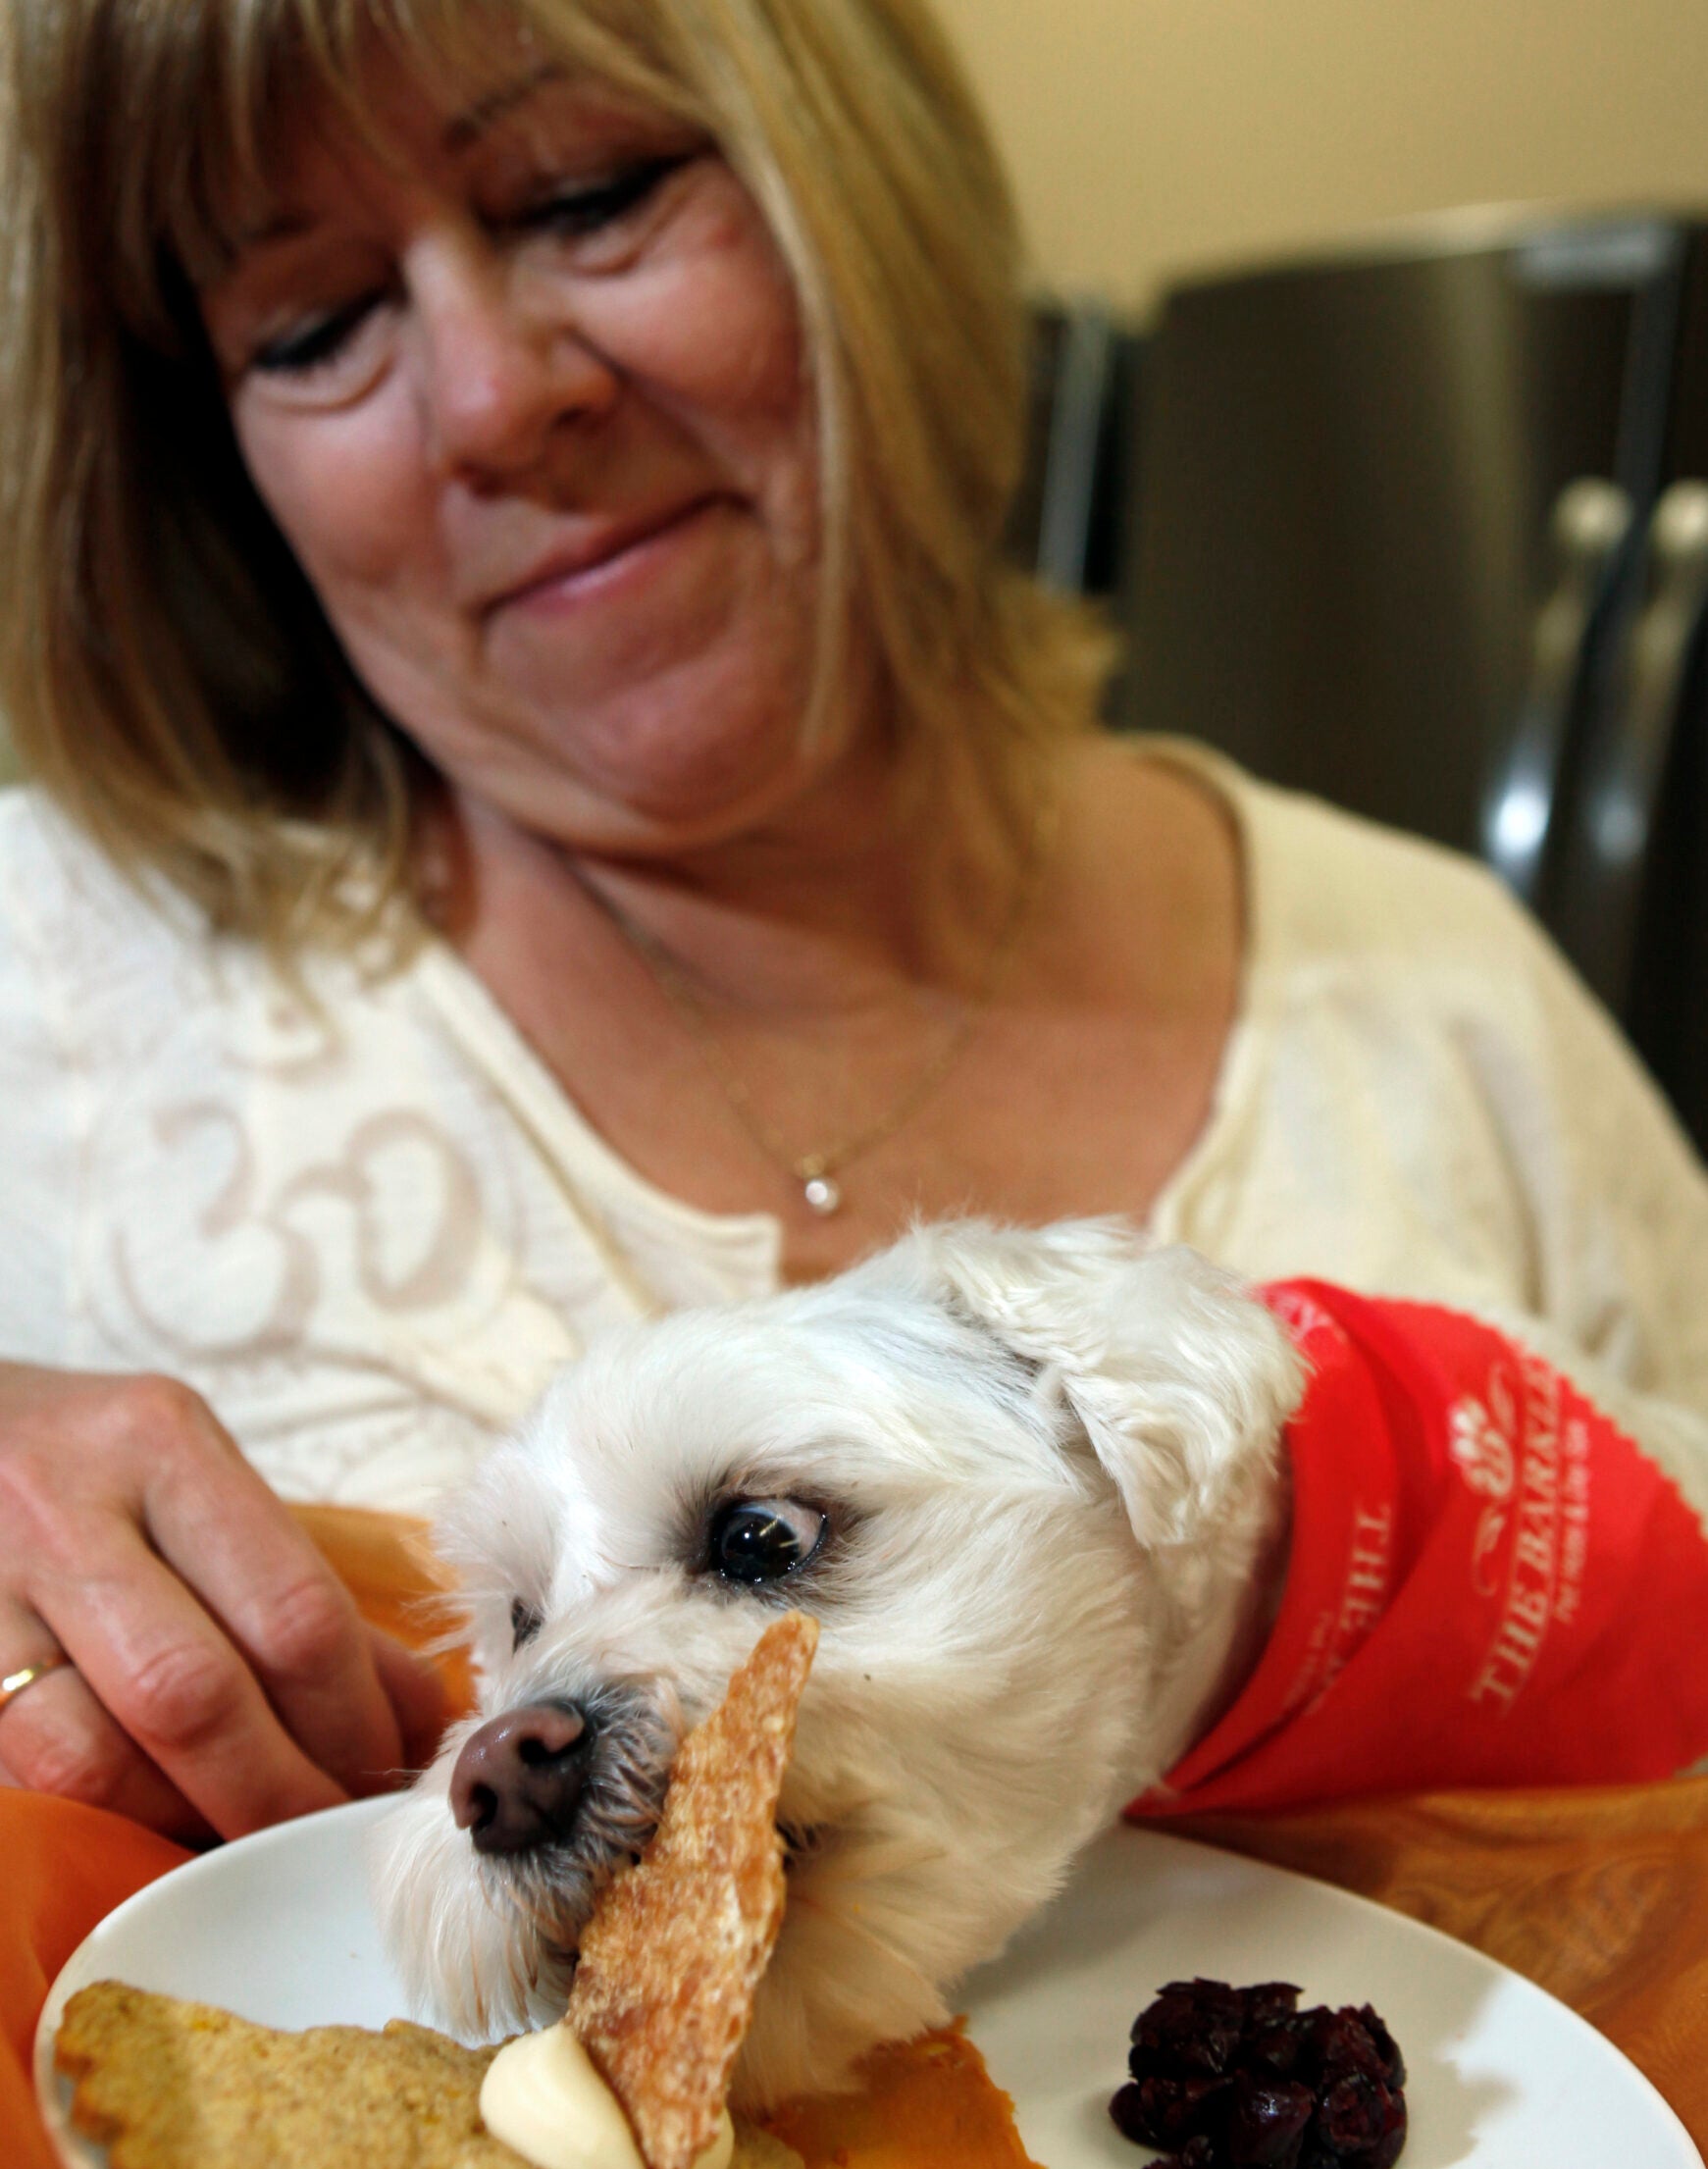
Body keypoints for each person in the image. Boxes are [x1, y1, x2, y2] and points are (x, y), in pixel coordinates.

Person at [1, 0, 1705, 1848]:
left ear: (857, 195)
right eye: (316, 328)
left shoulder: (1444, 990)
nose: (495, 396)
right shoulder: (57, 964)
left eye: (584, 195)